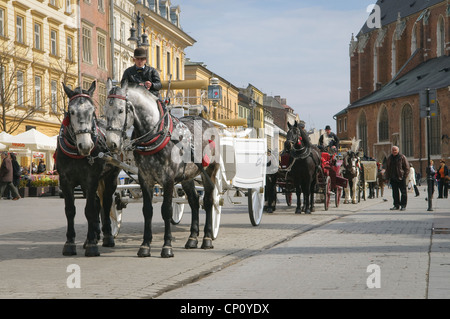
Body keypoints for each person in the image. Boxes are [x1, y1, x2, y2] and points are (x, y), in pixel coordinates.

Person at [384, 146, 409, 211]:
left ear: (398, 151)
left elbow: (407, 167)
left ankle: (403, 205)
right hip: (393, 177)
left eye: (395, 150)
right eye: (393, 150)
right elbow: (387, 168)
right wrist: (387, 177)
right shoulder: (389, 158)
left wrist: (404, 176)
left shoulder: (402, 157)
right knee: (395, 192)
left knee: (403, 192)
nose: (394, 151)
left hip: (401, 177)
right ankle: (396, 205)